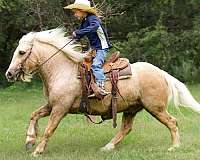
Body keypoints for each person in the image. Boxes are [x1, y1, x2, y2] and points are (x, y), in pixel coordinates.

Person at [64, 0, 111, 95]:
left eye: (76, 12)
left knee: (96, 65)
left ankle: (101, 87)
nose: (75, 14)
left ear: (82, 10)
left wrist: (78, 32)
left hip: (101, 48)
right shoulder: (84, 22)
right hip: (94, 48)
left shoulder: (92, 18)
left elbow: (94, 27)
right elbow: (79, 34)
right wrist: (70, 39)